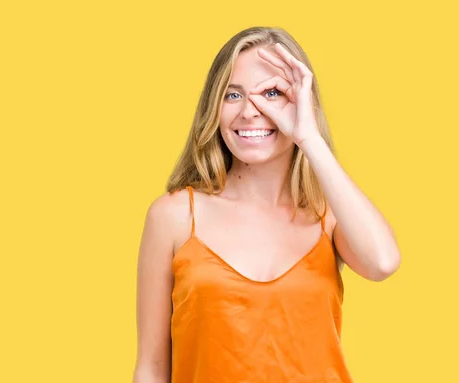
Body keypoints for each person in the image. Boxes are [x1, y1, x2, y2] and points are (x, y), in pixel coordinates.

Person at [133, 26, 401, 383]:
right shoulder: (174, 216)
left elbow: (382, 263)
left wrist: (308, 138)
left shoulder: (330, 215)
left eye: (272, 93)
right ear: (213, 107)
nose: (249, 112)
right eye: (232, 95)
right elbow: (152, 368)